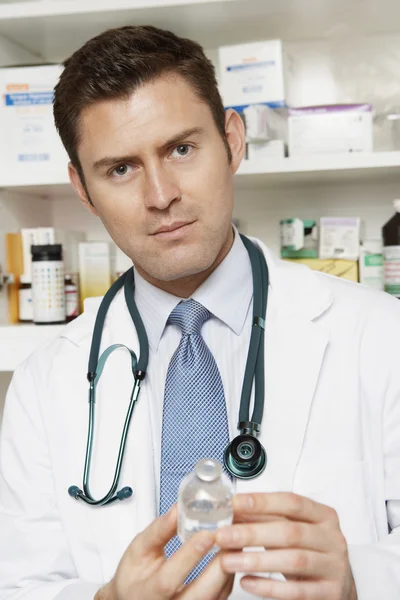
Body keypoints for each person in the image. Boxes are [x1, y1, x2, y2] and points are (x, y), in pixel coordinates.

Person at [0, 24, 399, 600]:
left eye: (181, 149)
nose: (160, 194)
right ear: (82, 190)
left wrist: (362, 579)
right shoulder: (45, 383)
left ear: (233, 141)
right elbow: (20, 586)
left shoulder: (380, 334)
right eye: (120, 169)